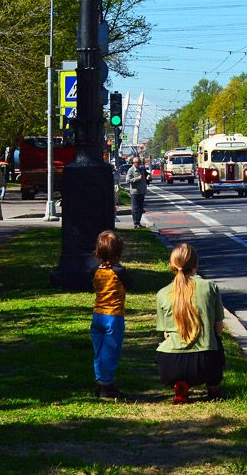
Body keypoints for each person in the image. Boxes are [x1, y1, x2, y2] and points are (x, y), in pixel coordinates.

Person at [155, 243, 225, 405]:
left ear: (171, 266)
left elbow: (166, 334)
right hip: (206, 364)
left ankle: (180, 387)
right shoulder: (210, 287)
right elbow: (218, 329)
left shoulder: (162, 293)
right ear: (196, 265)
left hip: (170, 366)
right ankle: (213, 387)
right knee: (216, 341)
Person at [91, 231, 133, 400]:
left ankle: (101, 381)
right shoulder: (119, 271)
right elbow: (131, 284)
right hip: (113, 316)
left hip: (97, 315)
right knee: (111, 350)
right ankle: (106, 384)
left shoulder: (95, 270)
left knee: (100, 350)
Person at [125, 155, 150, 228]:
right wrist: (137, 178)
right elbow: (127, 180)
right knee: (135, 208)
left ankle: (138, 222)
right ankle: (136, 223)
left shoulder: (142, 169)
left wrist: (148, 178)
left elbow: (146, 176)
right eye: (138, 163)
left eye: (140, 163)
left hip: (142, 191)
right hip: (135, 191)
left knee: (140, 208)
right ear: (134, 163)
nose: (140, 164)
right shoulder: (131, 170)